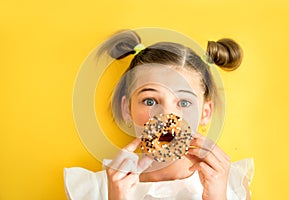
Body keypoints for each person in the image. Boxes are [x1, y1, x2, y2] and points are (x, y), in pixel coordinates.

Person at [64, 29, 254, 200]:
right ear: (126, 110)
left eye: (184, 102)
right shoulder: (94, 190)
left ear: (205, 113)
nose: (167, 116)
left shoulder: (230, 185)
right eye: (150, 101)